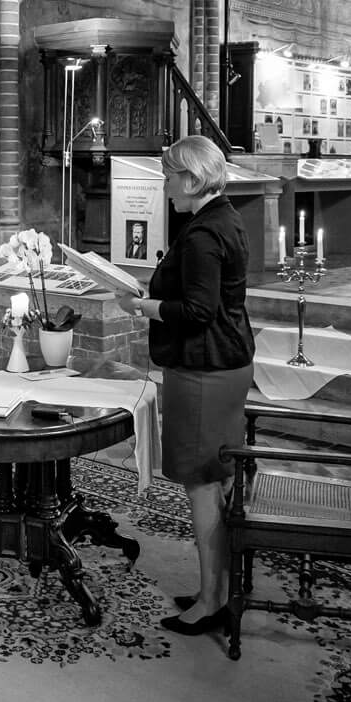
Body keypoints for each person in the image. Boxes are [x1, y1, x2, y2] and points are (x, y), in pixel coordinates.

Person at [112, 136, 255, 636]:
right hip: (224, 365)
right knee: (214, 478)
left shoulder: (201, 234)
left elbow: (198, 311)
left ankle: (212, 600)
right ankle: (216, 586)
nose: (166, 186)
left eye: (170, 177)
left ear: (193, 180)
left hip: (204, 370)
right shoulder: (223, 218)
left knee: (201, 481)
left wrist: (141, 307)